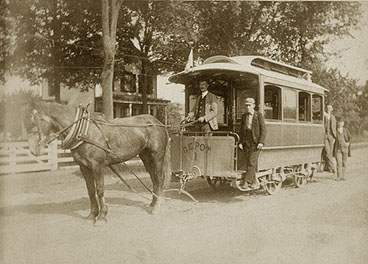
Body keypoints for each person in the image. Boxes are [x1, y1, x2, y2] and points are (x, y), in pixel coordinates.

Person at [238, 97, 266, 189]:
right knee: (248, 161)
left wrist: (261, 142)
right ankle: (255, 182)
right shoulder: (244, 116)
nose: (247, 107)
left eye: (249, 105)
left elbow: (263, 130)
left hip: (255, 142)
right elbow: (242, 131)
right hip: (247, 141)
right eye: (246, 105)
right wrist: (241, 142)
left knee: (251, 161)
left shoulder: (259, 115)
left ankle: (246, 182)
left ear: (253, 106)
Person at [323, 105, 336, 173]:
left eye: (330, 108)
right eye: (327, 108)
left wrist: (334, 137)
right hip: (325, 135)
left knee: (330, 153)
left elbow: (334, 127)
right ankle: (333, 168)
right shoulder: (323, 116)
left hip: (331, 136)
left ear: (332, 109)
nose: (328, 109)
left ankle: (328, 167)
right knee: (328, 152)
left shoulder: (333, 117)